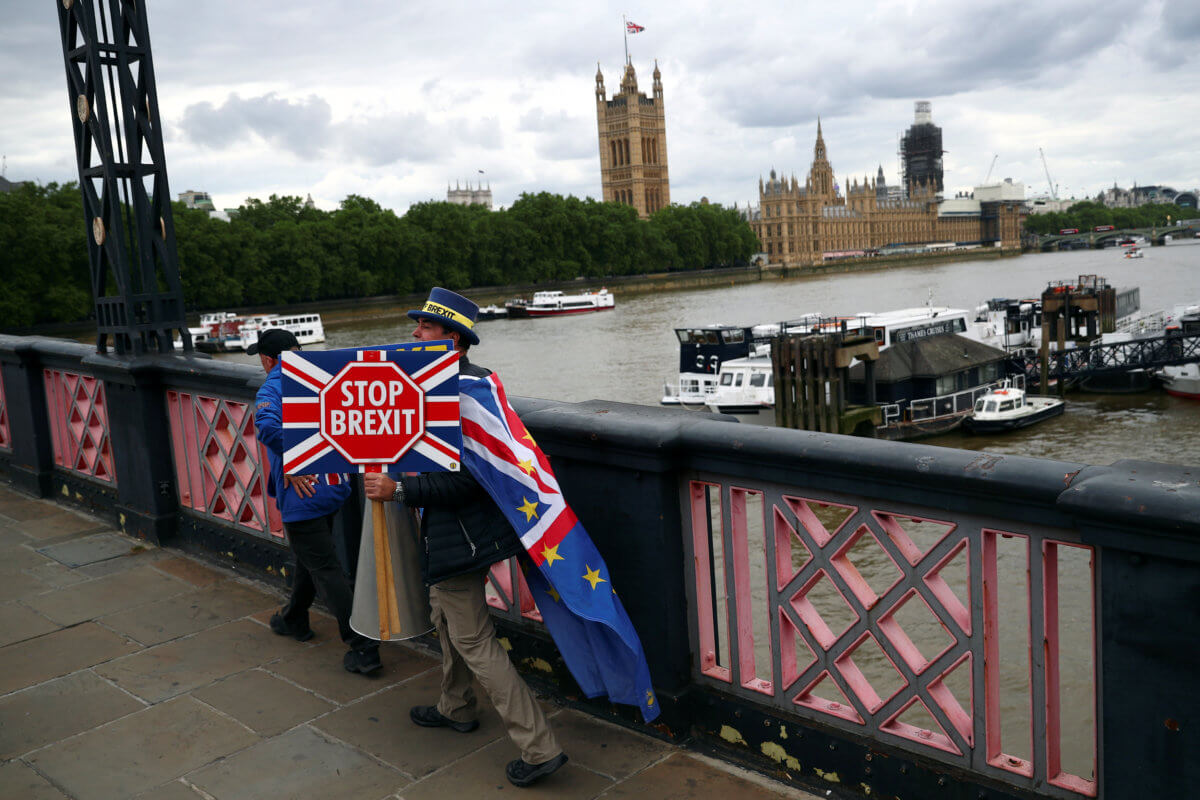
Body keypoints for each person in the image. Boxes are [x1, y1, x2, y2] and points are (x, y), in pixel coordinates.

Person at [363, 288, 567, 788]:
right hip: (460, 532)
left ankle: (539, 747)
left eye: (425, 328)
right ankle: (455, 706)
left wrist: (399, 489)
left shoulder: (461, 393)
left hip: (462, 534)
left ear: (451, 338)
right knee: (445, 617)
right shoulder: (457, 383)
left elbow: (470, 478)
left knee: (474, 639)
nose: (414, 333)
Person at [252, 328, 382, 675]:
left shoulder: (272, 386)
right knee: (309, 555)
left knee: (326, 569)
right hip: (337, 485)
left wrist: (298, 459)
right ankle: (293, 618)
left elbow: (265, 427)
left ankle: (364, 647)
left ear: (267, 360)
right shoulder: (323, 378)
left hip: (304, 492)